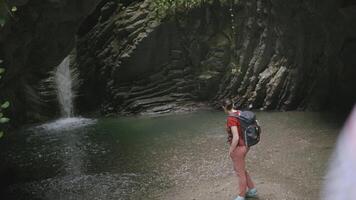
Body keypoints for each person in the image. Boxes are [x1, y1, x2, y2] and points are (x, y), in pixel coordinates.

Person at [222, 99, 257, 200]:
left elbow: (236, 137)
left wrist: (231, 150)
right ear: (233, 105)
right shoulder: (240, 113)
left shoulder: (231, 118)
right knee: (241, 169)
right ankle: (252, 190)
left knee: (239, 172)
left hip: (239, 147)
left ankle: (241, 196)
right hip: (247, 144)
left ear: (224, 107)